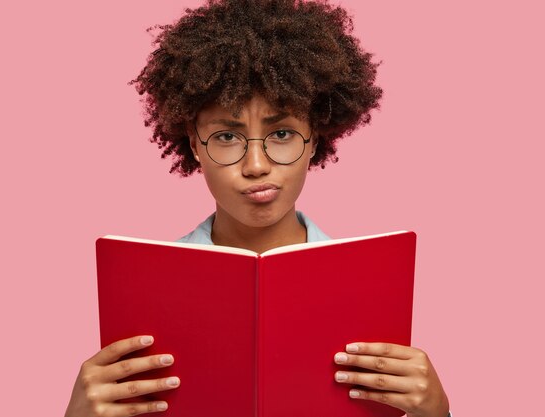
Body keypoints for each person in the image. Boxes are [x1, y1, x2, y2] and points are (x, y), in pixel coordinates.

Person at [65, 1, 451, 416]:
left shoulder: (374, 289)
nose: (256, 166)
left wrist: (437, 413)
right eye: (227, 137)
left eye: (281, 133)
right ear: (195, 144)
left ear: (315, 138)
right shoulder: (140, 291)